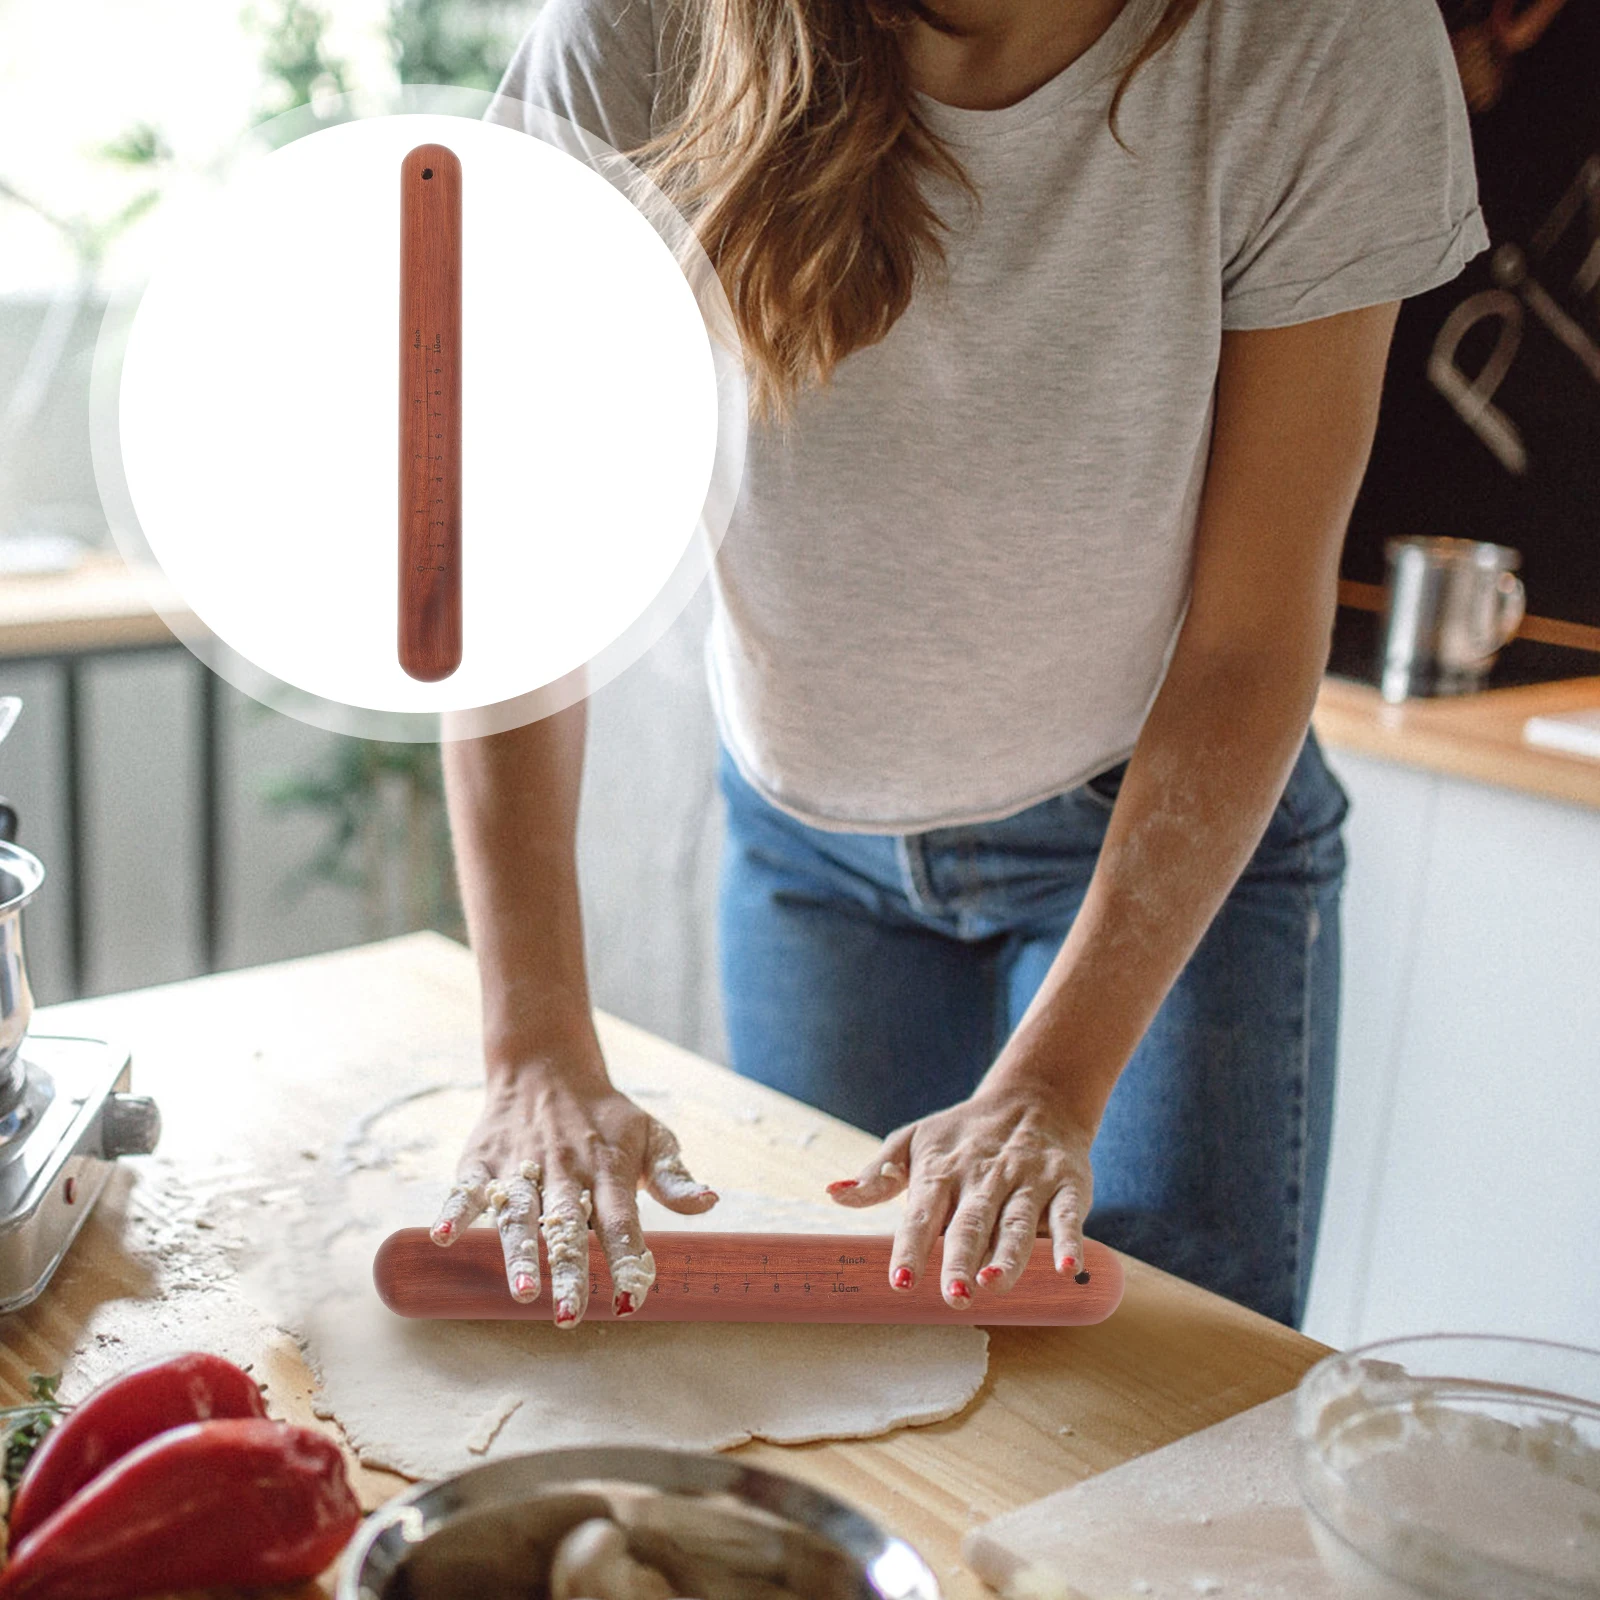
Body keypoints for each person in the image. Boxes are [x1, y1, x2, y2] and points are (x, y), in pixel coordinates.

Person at [432, 0, 1488, 1329]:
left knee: (1147, 1431)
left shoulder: (1321, 42)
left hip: (1155, 841)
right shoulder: (640, 31)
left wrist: (1054, 1084)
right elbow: (523, 567)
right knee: (850, 1387)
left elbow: (1248, 640)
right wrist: (532, 1045)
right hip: (810, 857)